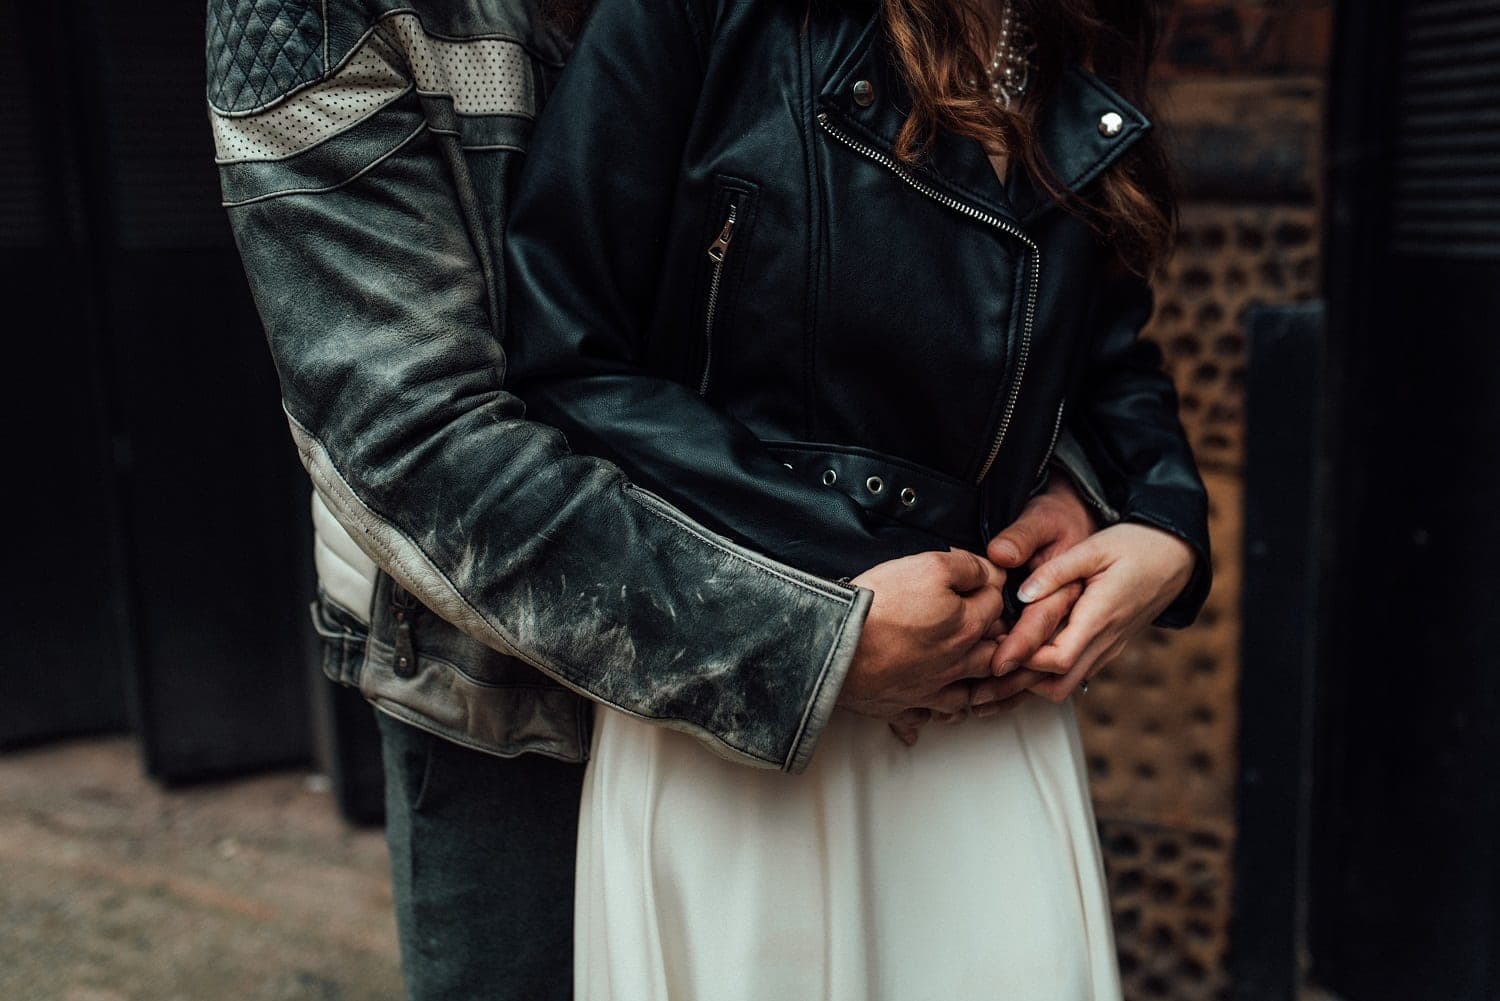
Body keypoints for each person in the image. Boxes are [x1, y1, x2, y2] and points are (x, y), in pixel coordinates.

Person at [205, 0, 1129, 997]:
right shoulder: (305, 13)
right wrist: (814, 636)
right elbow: (415, 436)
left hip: (860, 621)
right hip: (504, 680)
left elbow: (942, 278)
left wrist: (1113, 489)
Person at [501, 0, 1211, 995]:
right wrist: (841, 592)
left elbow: (1105, 360)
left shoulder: (1070, 30)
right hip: (750, 695)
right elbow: (567, 360)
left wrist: (1161, 526)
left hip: (987, 707)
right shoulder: (702, 15)